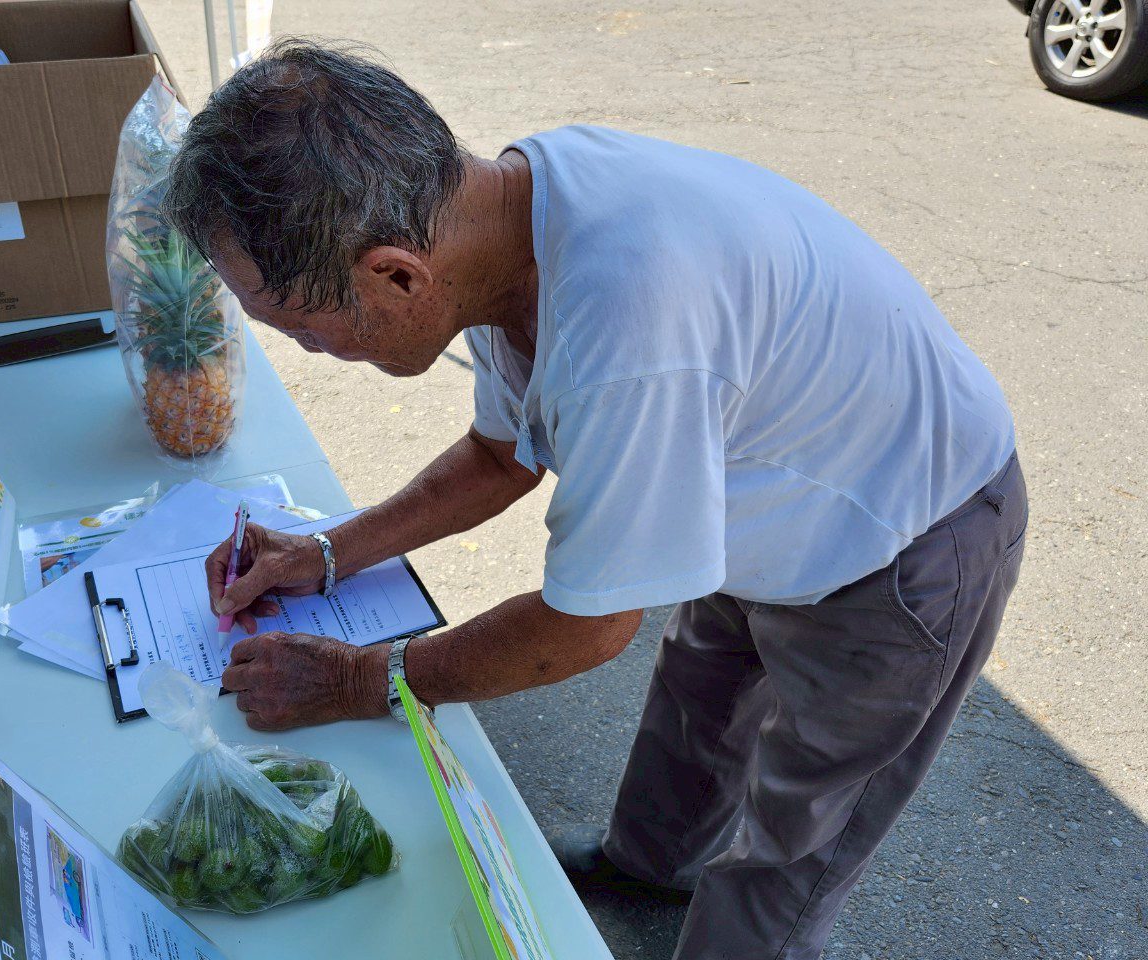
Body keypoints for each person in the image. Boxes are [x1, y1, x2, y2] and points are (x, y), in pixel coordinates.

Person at [167, 39, 1026, 960]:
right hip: (767, 478)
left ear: (397, 275)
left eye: (302, 329)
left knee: (797, 840)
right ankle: (644, 869)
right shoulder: (496, 219)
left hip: (904, 537)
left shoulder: (627, 335)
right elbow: (500, 459)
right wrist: (327, 551)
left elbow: (586, 627)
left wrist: (358, 677)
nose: (309, 351)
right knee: (701, 694)